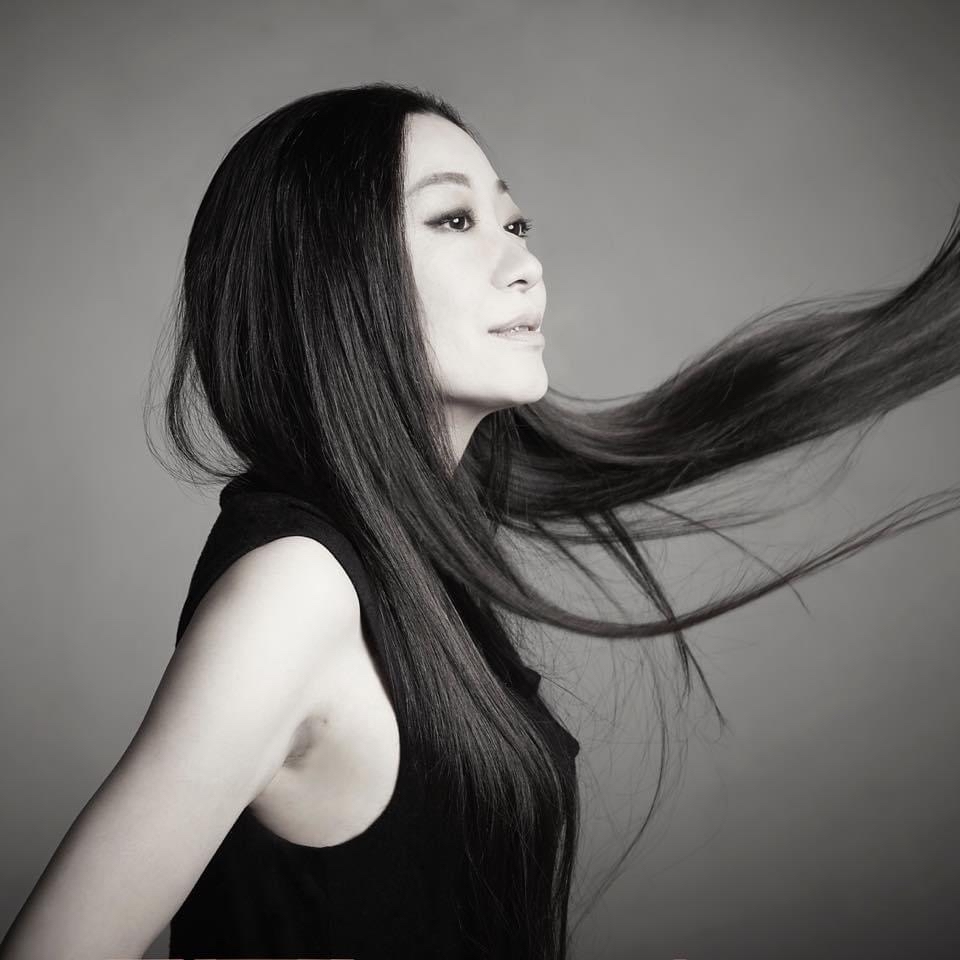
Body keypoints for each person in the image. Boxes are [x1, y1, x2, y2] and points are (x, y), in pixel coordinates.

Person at [1, 81, 959, 960]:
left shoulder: (405, 558)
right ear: (332, 275)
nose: (526, 264)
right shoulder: (297, 589)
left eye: (515, 221)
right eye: (456, 219)